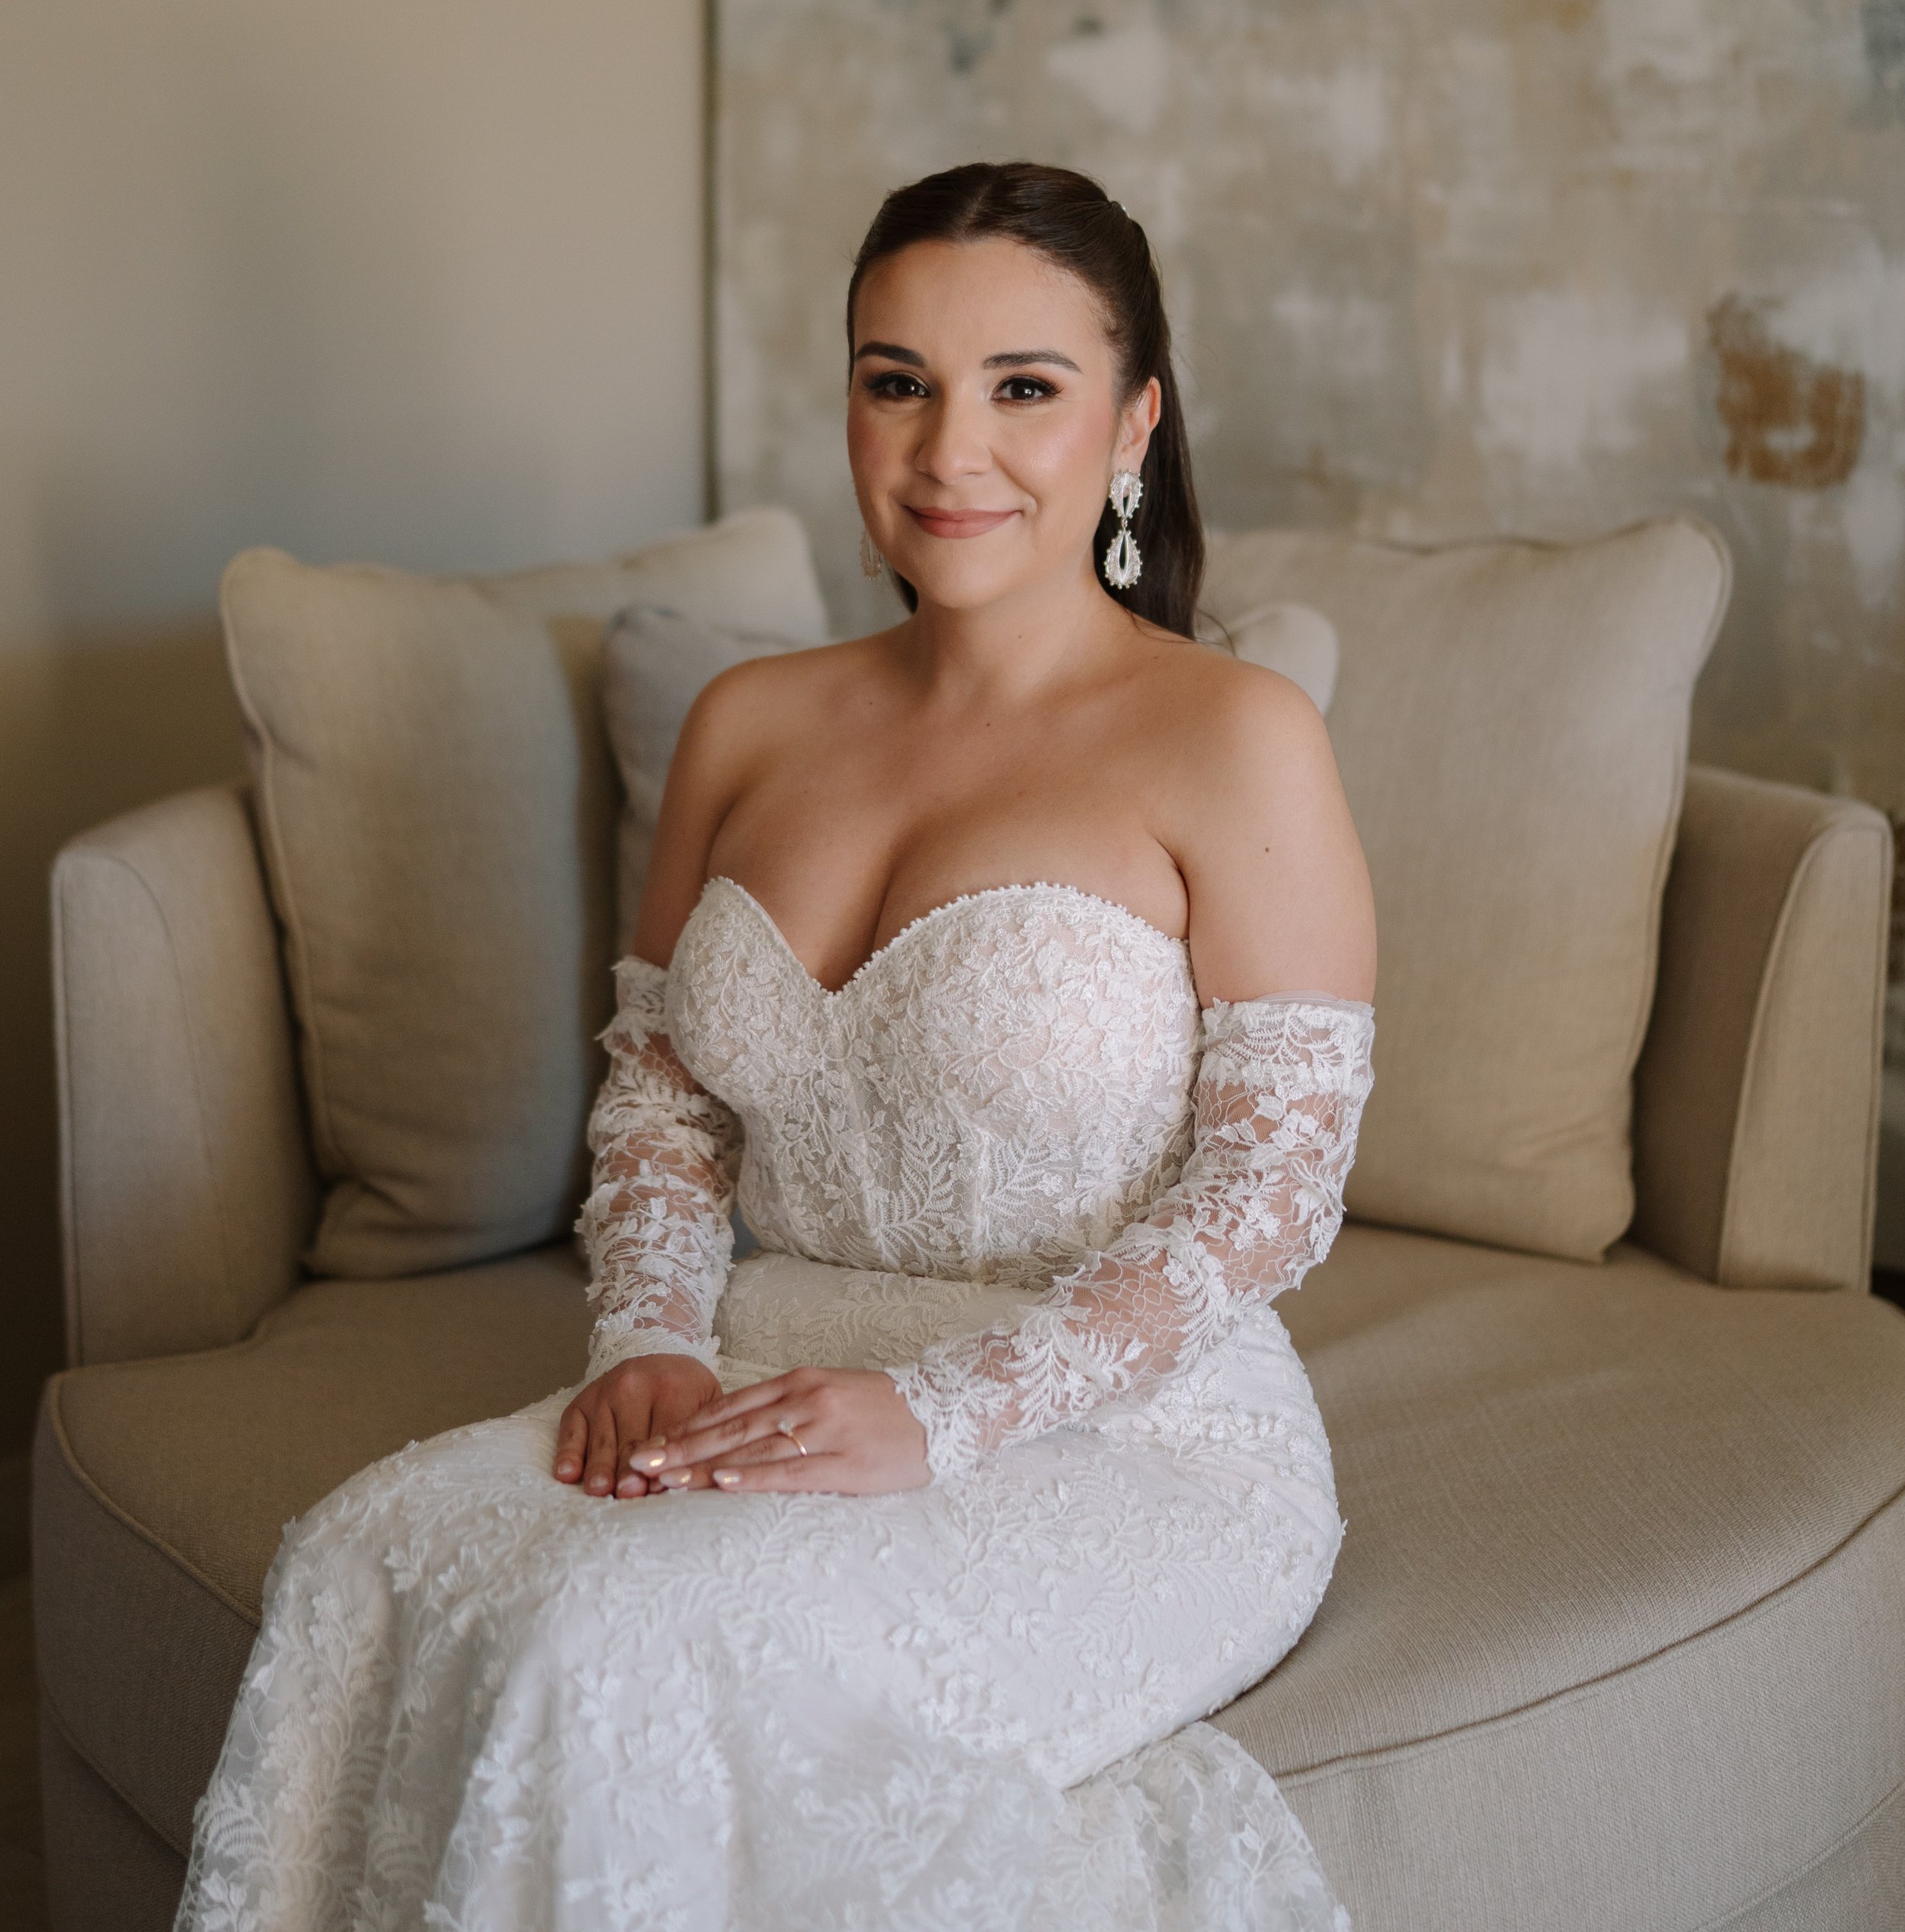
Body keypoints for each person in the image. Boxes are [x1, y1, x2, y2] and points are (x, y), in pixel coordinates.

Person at [176, 161, 1378, 1931]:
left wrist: (942, 1413)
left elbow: (1269, 1194)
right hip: (769, 1360)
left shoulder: (1234, 735)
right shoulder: (748, 723)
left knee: (618, 1642)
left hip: (1134, 1438)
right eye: (898, 382)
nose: (948, 450)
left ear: (1133, 423)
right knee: (368, 1551)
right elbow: (663, 1105)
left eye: (1023, 388)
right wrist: (649, 1339)